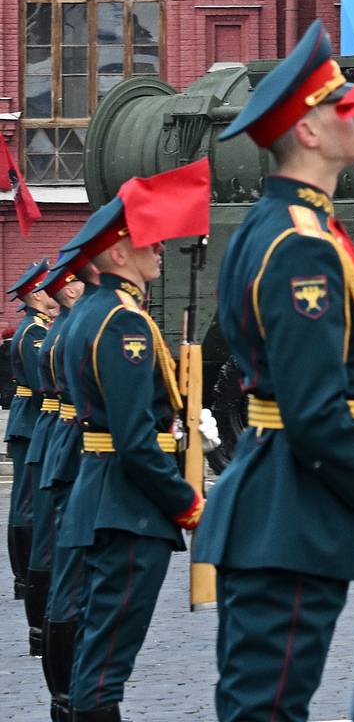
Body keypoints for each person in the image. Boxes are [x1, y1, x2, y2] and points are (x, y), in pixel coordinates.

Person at [193, 20, 354, 722]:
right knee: (269, 708)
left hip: (286, 505)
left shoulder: (285, 227)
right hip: (290, 511)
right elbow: (316, 416)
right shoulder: (298, 246)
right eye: (343, 106)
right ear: (309, 132)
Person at [58, 190, 207, 722]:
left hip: (104, 496)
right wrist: (187, 503)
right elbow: (136, 439)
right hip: (127, 508)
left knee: (95, 659)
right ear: (119, 252)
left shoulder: (90, 313)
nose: (161, 247)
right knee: (104, 672)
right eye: (150, 239)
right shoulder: (124, 322)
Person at [32, 259, 91, 722]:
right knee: (72, 572)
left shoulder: (67, 327)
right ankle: (71, 698)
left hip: (63, 437)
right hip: (78, 444)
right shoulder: (82, 327)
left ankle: (64, 698)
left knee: (65, 567)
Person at [5, 260, 52, 608]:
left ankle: (25, 576)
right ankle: (24, 577)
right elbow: (42, 385)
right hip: (31, 420)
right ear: (34, 297)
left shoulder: (38, 329)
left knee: (28, 500)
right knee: (25, 502)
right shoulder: (33, 333)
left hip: (31, 419)